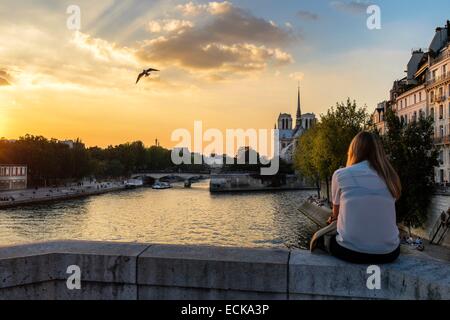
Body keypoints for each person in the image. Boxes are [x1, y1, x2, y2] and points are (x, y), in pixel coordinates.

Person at [328, 132, 402, 264]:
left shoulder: (340, 174)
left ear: (353, 151)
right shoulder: (390, 177)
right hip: (389, 253)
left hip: (350, 252)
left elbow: (336, 214)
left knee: (329, 239)